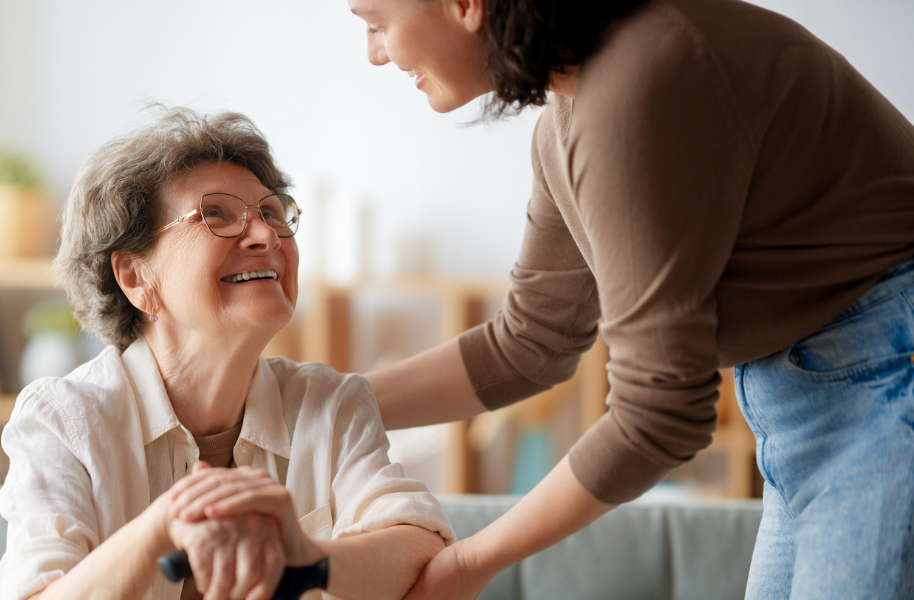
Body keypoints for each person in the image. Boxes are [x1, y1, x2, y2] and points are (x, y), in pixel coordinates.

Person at [346, 0, 914, 598]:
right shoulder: (569, 117)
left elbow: (659, 411)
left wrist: (468, 565)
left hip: (885, 383)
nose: (374, 54)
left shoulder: (637, 86)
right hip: (813, 408)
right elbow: (530, 342)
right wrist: (320, 401)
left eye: (376, 23)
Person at [0, 109, 454, 600]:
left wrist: (304, 555)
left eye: (273, 213)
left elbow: (422, 550)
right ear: (135, 277)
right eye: (216, 214)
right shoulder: (62, 421)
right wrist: (163, 525)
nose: (267, 236)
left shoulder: (333, 403)